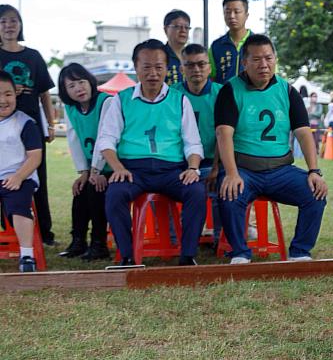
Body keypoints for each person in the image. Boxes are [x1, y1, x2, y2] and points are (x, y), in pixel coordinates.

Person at [215, 34, 327, 263]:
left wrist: (314, 171)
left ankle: (300, 251)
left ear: (275, 59)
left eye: (268, 58)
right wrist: (232, 173)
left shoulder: (287, 91)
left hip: (280, 170)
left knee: (315, 194)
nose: (263, 64)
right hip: (244, 169)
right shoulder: (230, 90)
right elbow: (223, 134)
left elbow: (303, 132)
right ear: (244, 62)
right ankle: (239, 252)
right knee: (229, 193)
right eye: (256, 59)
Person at [95, 39, 206, 267]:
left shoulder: (179, 100)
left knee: (196, 191)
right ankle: (127, 256)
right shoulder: (121, 99)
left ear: (167, 68)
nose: (153, 73)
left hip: (171, 170)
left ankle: (187, 255)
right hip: (132, 170)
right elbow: (106, 139)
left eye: (158, 67)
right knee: (115, 194)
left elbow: (193, 143)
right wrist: (118, 168)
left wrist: (192, 168)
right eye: (146, 67)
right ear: (135, 68)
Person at [0, 4, 56, 245]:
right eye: (2, 22)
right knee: (5, 177)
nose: (8, 26)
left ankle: (44, 233)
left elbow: (44, 94)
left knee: (35, 179)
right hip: (3, 128)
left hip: (30, 126)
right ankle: (9, 232)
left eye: (13, 21)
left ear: (20, 24)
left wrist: (51, 125)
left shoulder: (33, 56)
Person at [58, 63, 114, 261]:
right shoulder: (71, 108)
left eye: (81, 82)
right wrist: (83, 172)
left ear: (90, 81)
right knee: (80, 189)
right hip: (92, 168)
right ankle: (78, 241)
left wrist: (96, 171)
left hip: (114, 165)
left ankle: (99, 243)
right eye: (71, 86)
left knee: (94, 190)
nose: (78, 88)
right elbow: (74, 140)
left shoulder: (106, 102)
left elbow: (105, 138)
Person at [172, 43, 224, 243]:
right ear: (181, 68)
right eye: (190, 65)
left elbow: (224, 134)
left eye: (201, 64)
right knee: (159, 184)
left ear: (209, 67)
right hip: (181, 164)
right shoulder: (172, 94)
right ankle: (175, 238)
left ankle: (221, 239)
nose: (196, 69)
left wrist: (216, 166)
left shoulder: (221, 93)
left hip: (214, 161)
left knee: (223, 184)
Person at [0, 70, 42, 272]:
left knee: (18, 204)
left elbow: (35, 156)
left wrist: (18, 176)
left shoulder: (24, 122)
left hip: (21, 176)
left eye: (8, 94)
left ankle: (27, 256)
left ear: (15, 94)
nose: (3, 100)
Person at [210, 0, 252, 84]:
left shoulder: (258, 43)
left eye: (237, 12)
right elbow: (211, 77)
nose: (232, 16)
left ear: (246, 15)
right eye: (227, 12)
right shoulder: (216, 46)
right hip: (224, 97)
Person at [163, 9, 191, 86]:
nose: (183, 30)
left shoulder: (192, 56)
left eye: (186, 27)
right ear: (166, 29)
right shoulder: (160, 56)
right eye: (177, 27)